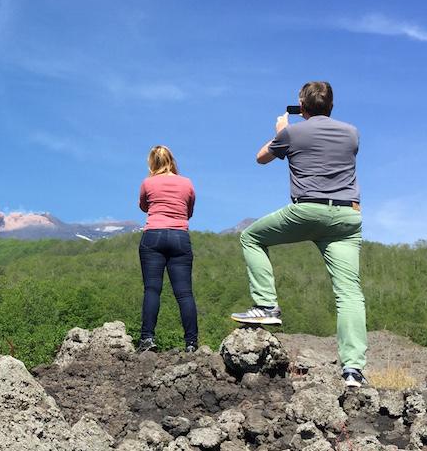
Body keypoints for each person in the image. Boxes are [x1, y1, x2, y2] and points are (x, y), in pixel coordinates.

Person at [231, 81, 368, 388]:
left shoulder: (291, 133)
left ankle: (266, 305)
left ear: (302, 107)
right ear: (331, 106)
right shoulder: (352, 133)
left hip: (307, 211)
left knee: (251, 237)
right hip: (347, 217)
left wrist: (282, 129)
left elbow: (261, 157)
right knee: (349, 294)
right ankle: (353, 371)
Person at [138, 145, 198, 353]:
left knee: (152, 289)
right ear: (172, 160)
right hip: (180, 236)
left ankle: (147, 339)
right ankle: (191, 343)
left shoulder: (148, 183)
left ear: (152, 163)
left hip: (153, 235)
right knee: (184, 294)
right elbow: (189, 211)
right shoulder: (187, 183)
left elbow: (144, 207)